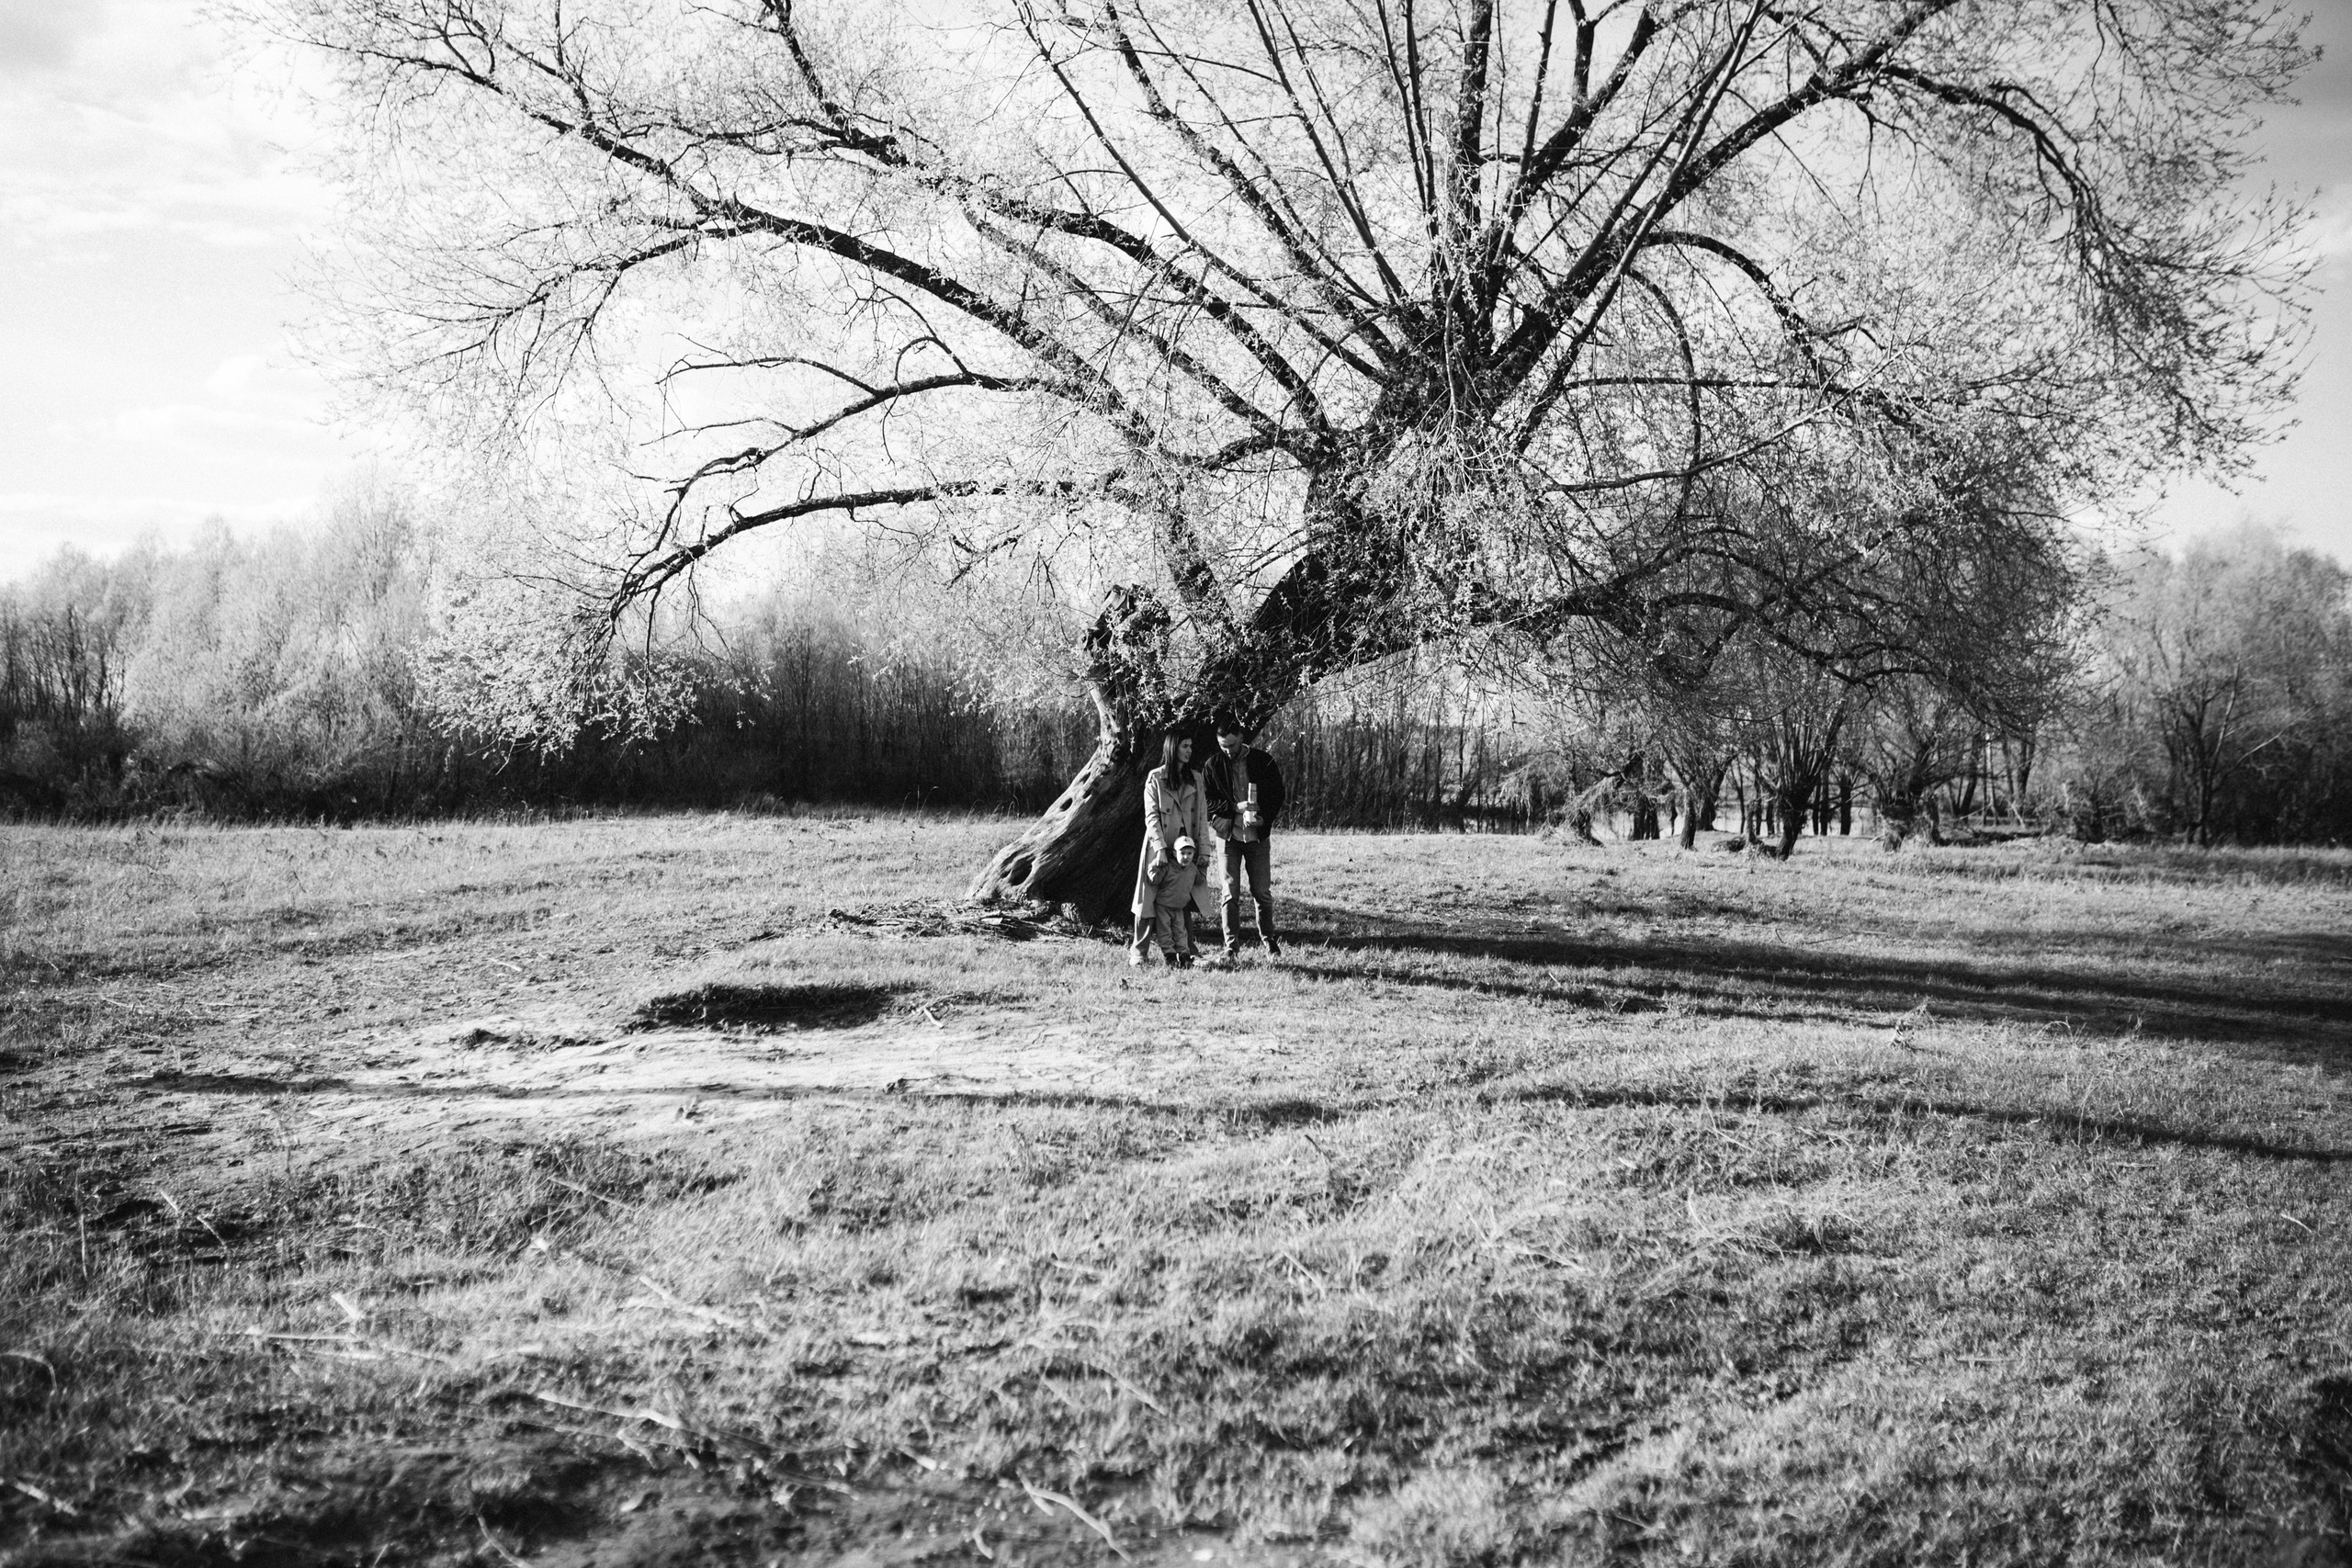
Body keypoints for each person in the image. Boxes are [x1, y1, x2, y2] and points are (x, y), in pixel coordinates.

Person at [1201, 713, 1285, 958]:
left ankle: (1270, 943)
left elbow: (1277, 795)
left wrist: (1264, 819)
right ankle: (1231, 946)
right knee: (1230, 893)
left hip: (1257, 837)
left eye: (1232, 745)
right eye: (1222, 747)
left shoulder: (1263, 761)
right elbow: (1206, 802)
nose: (1227, 751)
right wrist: (1233, 808)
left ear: (1241, 737)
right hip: (1228, 838)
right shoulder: (1213, 765)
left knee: (1262, 892)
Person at [1129, 732, 1207, 968]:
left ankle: (1187, 951)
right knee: (1147, 899)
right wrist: (1160, 847)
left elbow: (1202, 816)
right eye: (1184, 745)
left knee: (1183, 897)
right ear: (1173, 748)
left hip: (1187, 849)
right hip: (1159, 845)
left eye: (1190, 745)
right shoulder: (1155, 778)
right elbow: (1151, 816)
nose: (1189, 750)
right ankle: (1139, 952)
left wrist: (1204, 851)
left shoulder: (1195, 778)